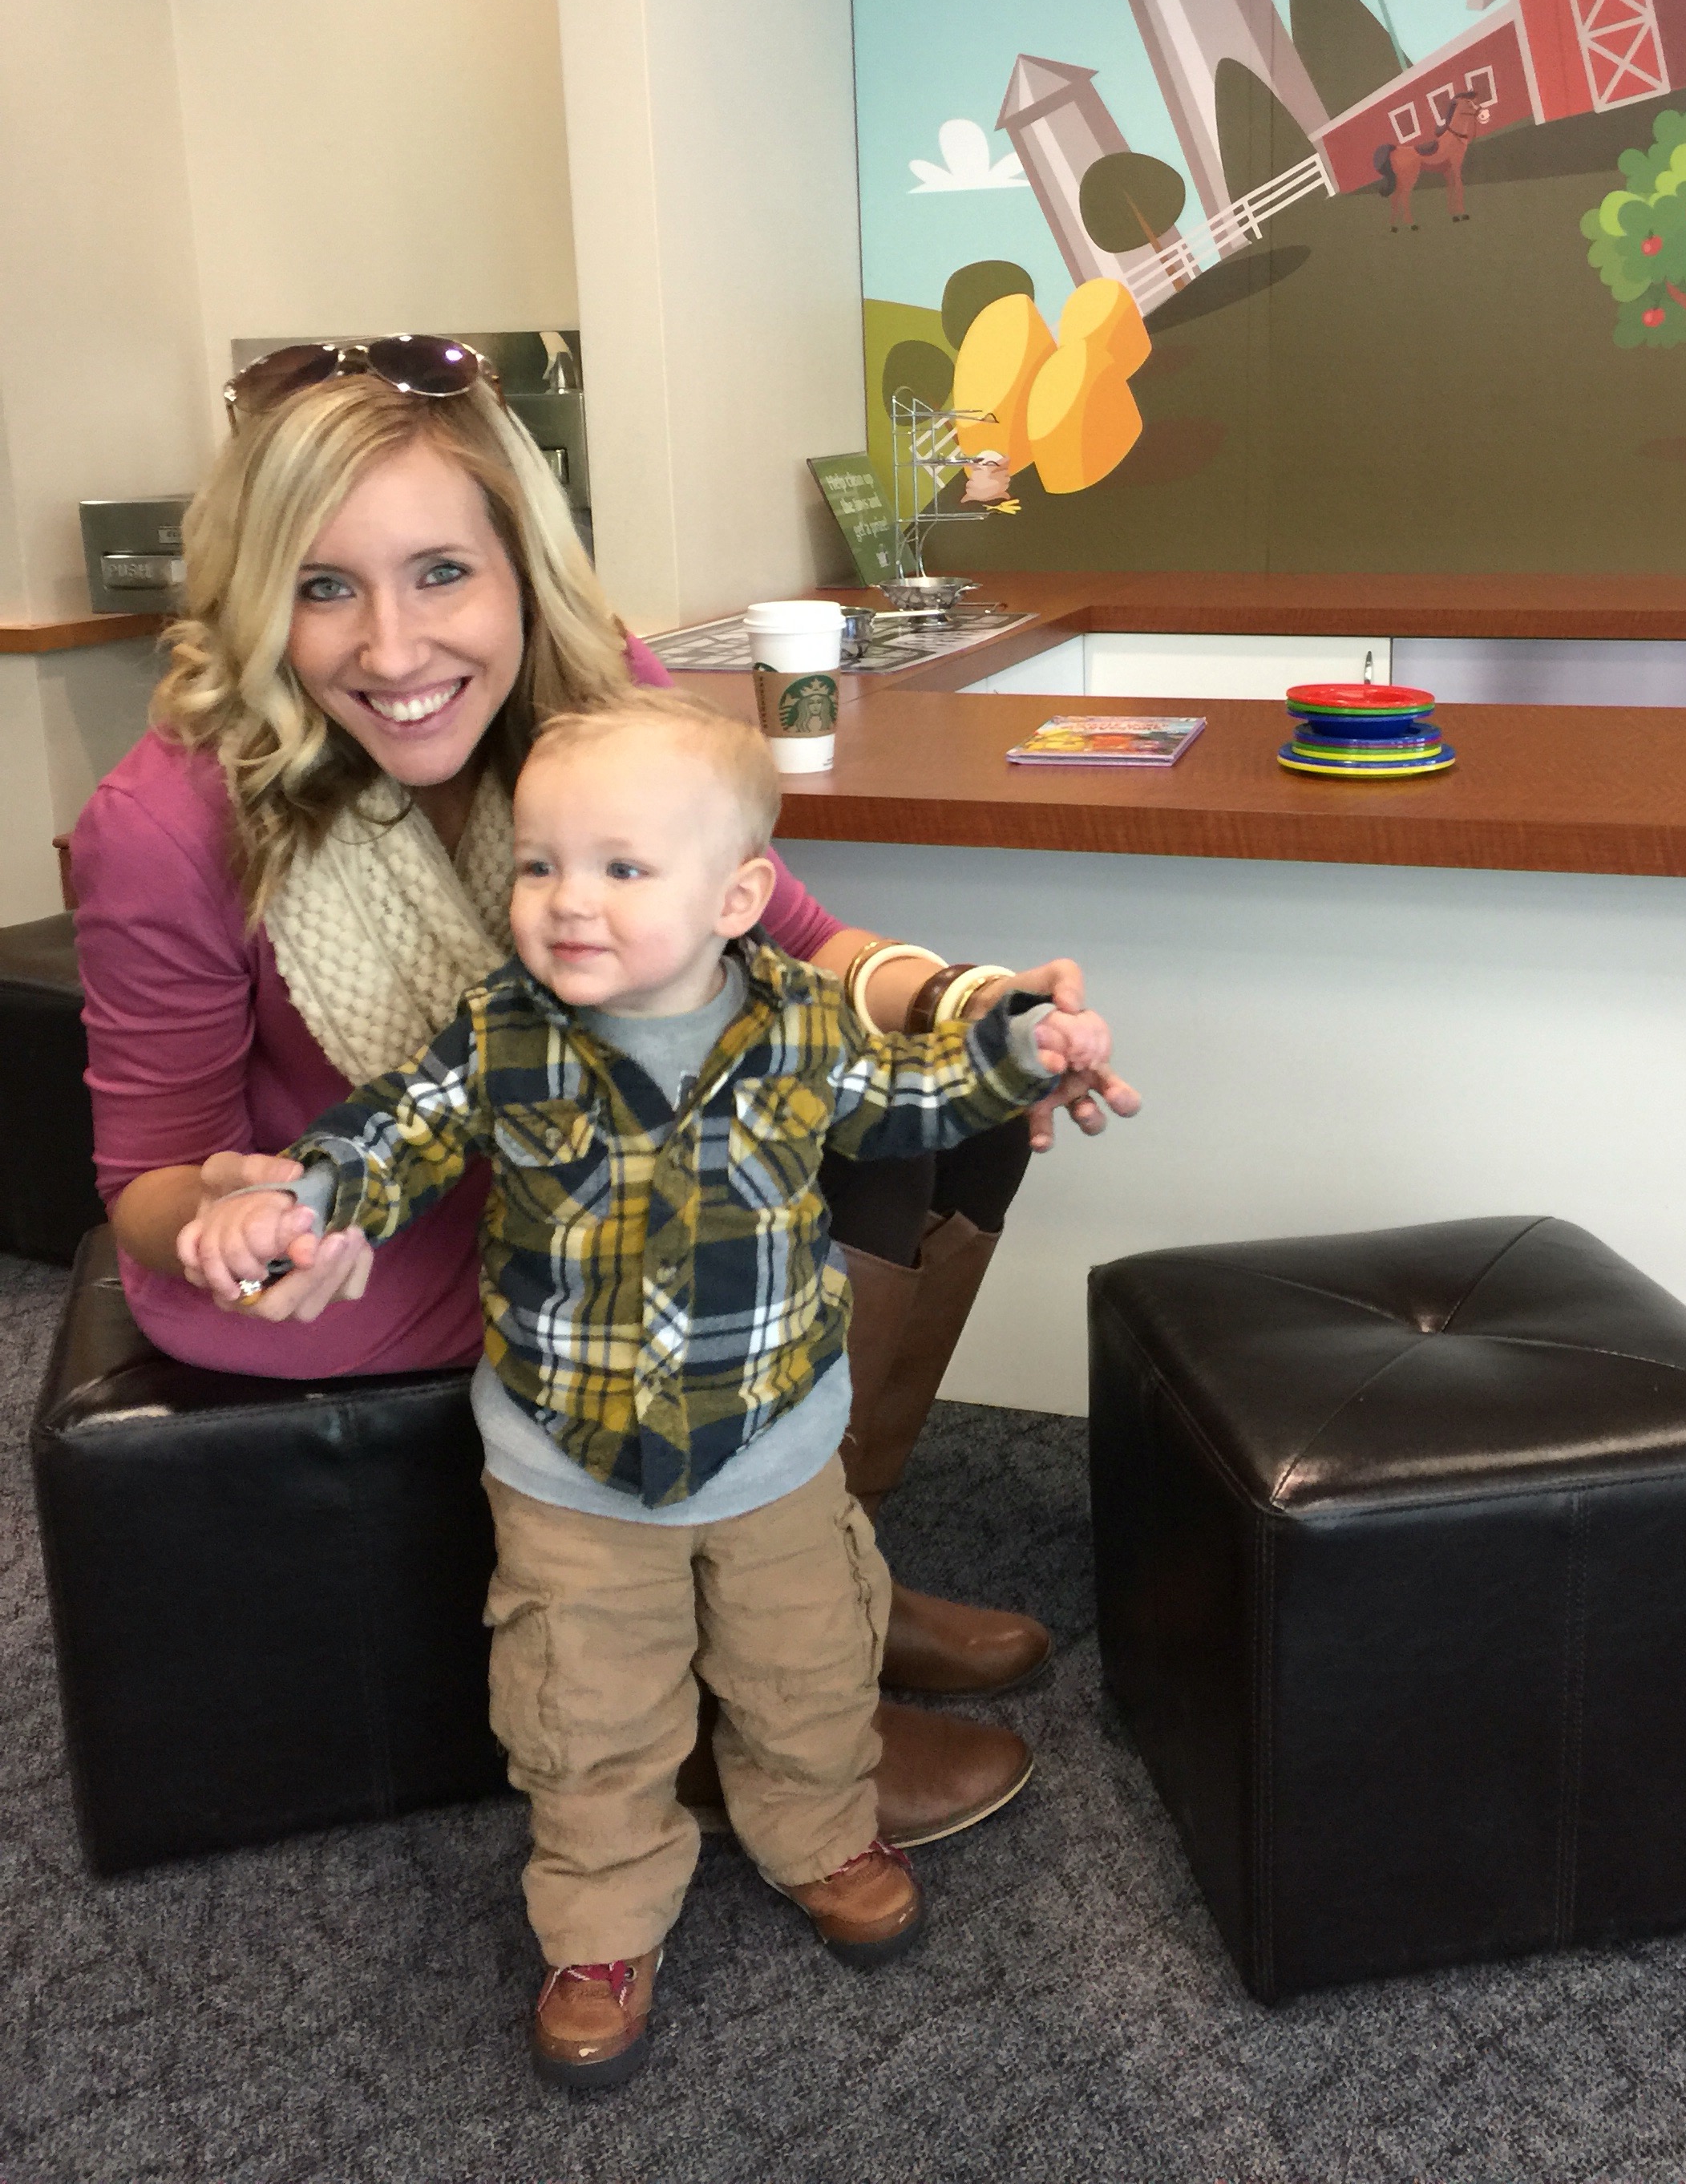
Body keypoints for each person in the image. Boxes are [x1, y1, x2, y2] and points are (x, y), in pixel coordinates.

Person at [71, 339, 1140, 1846]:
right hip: (362, 1232)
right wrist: (231, 1218)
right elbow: (146, 1175)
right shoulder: (167, 819)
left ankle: (814, 1567)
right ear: (257, 601)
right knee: (782, 1159)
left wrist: (980, 1009)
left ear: (521, 567)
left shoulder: (597, 704)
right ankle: (731, 1698)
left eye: (441, 572)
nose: (392, 647)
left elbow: (797, 946)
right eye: (323, 588)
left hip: (559, 1152)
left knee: (938, 1122)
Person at [177, 688, 1117, 2087]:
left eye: (623, 868)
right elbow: (394, 1135)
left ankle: (820, 1834)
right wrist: (301, 1200)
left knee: (806, 1670)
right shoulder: (501, 1031)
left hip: (776, 1447)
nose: (568, 900)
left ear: (736, 897)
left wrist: (1017, 1049)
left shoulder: (801, 1024)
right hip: (568, 1469)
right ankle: (601, 1923)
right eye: (540, 865)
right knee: (582, 1713)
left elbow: (906, 1101)